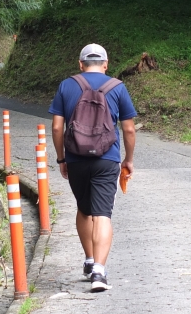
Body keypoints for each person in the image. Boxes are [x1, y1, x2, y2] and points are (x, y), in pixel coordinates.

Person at [49, 43, 137, 292]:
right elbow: (129, 129)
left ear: (80, 64)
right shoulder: (117, 87)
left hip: (75, 159)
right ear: (106, 64)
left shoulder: (67, 85)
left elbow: (57, 127)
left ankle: (89, 260)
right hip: (107, 159)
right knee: (102, 213)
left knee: (84, 209)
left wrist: (61, 158)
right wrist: (127, 159)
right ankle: (99, 270)